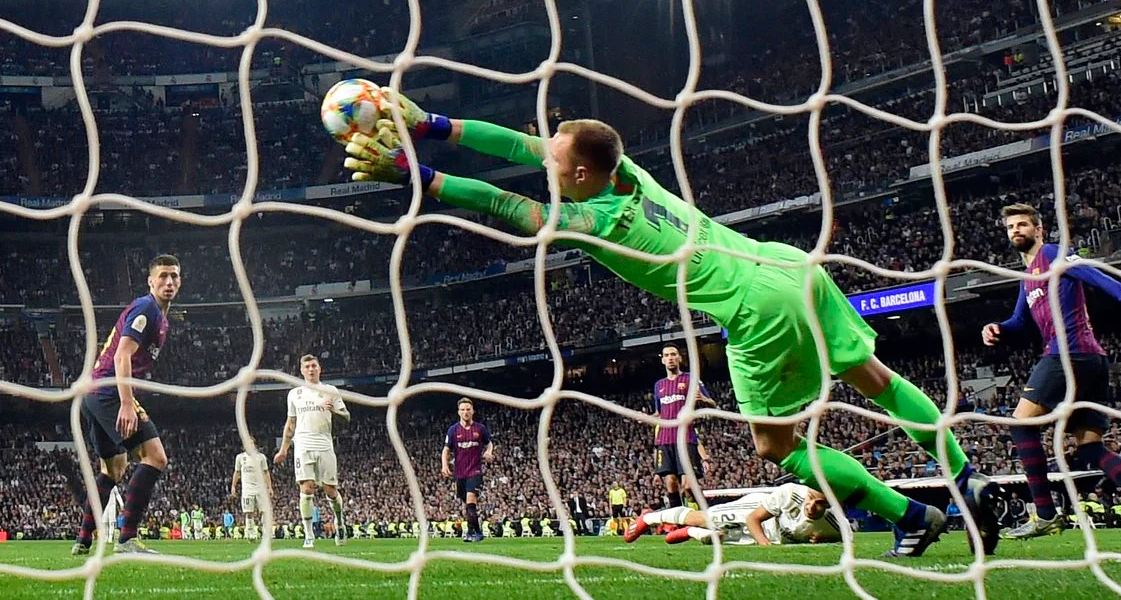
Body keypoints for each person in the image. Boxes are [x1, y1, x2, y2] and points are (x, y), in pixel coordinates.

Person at [342, 99, 1002, 557]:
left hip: (754, 307)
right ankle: (965, 476)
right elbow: (518, 146)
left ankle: (910, 514)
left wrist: (411, 173)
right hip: (787, 264)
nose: (543, 162)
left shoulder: (595, 221)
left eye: (554, 160)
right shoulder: (628, 174)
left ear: (579, 173)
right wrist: (429, 124)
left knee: (776, 445)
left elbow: (501, 200)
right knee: (875, 378)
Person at [984, 203, 1121, 541]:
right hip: (1091, 361)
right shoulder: (1028, 279)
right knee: (1089, 447)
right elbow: (1019, 322)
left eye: (1022, 224)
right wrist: (997, 328)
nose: (1016, 230)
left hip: (1067, 353)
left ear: (1038, 229)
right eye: (1011, 227)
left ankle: (1045, 515)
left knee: (1021, 424)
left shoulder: (1052, 254)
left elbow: (1092, 274)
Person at [72, 254, 180, 556]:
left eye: (174, 276)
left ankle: (83, 540)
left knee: (113, 469)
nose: (169, 282)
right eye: (163, 276)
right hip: (108, 391)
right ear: (151, 281)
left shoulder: (160, 317)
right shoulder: (146, 308)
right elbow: (122, 356)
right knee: (156, 457)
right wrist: (127, 403)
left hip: (94, 393)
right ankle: (127, 539)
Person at [273, 354, 351, 548]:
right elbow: (290, 423)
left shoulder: (330, 391)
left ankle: (340, 522)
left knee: (330, 491)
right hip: (303, 445)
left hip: (324, 445)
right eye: (307, 366)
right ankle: (309, 534)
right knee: (306, 488)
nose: (310, 369)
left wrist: (333, 410)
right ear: (302, 371)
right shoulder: (295, 394)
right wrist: (283, 449)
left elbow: (346, 417)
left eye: (313, 366)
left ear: (319, 368)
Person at [625, 483, 840, 546]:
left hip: (774, 536)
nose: (811, 506)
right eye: (811, 498)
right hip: (754, 512)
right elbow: (753, 518)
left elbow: (844, 536)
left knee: (718, 538)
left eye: (819, 503)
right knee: (707, 519)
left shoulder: (836, 524)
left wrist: (824, 538)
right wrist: (764, 544)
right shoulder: (790, 493)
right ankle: (649, 518)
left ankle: (691, 532)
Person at [651, 344, 715, 508]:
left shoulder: (690, 379)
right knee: (671, 483)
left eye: (673, 354)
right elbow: (659, 413)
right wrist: (644, 418)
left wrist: (704, 400)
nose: (670, 358)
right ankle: (678, 519)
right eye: (667, 355)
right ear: (663, 360)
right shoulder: (659, 385)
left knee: (687, 486)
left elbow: (712, 404)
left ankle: (704, 512)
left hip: (685, 438)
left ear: (679, 358)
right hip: (665, 439)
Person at [442, 397, 494, 543]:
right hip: (460, 473)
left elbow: (489, 443)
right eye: (463, 409)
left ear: (473, 411)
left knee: (471, 500)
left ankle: (474, 533)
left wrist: (489, 451)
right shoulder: (453, 430)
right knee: (467, 503)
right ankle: (475, 530)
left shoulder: (480, 429)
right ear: (459, 412)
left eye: (468, 409)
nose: (465, 412)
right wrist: (445, 465)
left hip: (475, 471)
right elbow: (446, 449)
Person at [232, 438, 273, 541]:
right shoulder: (240, 458)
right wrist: (233, 486)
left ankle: (266, 534)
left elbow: (266, 472)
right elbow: (237, 472)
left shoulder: (261, 457)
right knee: (249, 512)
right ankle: (251, 533)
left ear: (255, 444)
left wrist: (270, 487)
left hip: (261, 489)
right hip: (247, 489)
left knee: (264, 511)